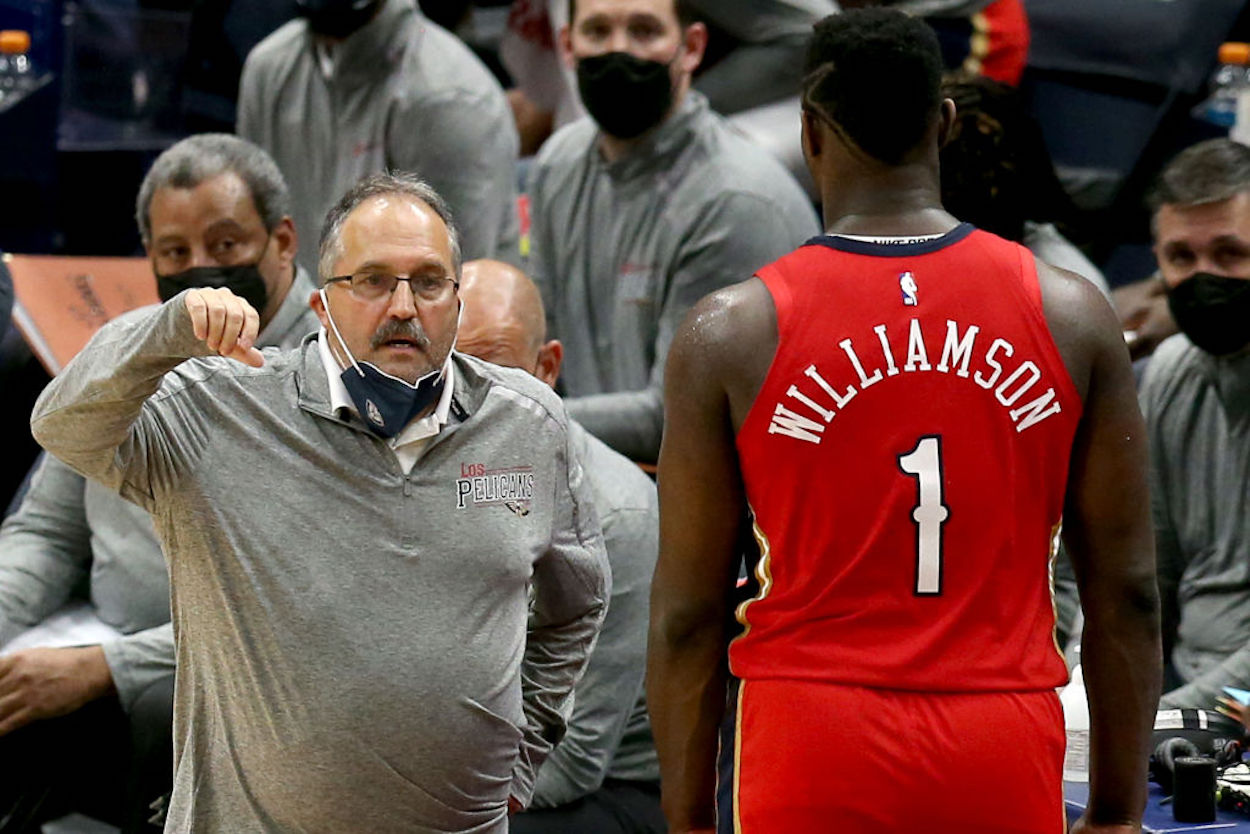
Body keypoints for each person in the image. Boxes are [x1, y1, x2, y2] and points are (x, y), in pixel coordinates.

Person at [647, 10, 1161, 833]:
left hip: (807, 737)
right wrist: (1114, 813)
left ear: (809, 132)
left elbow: (687, 616)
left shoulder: (729, 331)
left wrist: (686, 822)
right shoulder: (1072, 314)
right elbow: (1127, 593)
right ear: (945, 123)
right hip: (999, 737)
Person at [29, 171, 609, 833]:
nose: (402, 307)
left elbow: (578, 602)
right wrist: (165, 333)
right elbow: (62, 424)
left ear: (456, 299)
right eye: (370, 280)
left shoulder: (529, 425)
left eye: (427, 282)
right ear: (321, 301)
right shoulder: (220, 407)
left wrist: (526, 750)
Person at [0, 133, 319, 834]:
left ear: (283, 241)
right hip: (90, 638)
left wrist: (108, 668)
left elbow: (307, 613)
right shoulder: (126, 350)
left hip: (233, 687)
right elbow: (47, 531)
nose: (202, 270)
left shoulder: (336, 372)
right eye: (176, 254)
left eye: (226, 244)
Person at [528, 0, 820, 463]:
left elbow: (675, 417)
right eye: (598, 32)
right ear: (567, 46)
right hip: (597, 477)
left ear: (691, 47)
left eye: (644, 31)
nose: (618, 50)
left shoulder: (733, 202)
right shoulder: (557, 165)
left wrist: (508, 416)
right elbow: (541, 353)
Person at [456, 259, 663, 833]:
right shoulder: (424, 468)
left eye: (492, 369)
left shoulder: (616, 512)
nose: (465, 399)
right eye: (450, 368)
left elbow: (574, 762)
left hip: (608, 789)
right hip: (462, 757)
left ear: (546, 367)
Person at [237, 0, 521, 277]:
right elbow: (261, 241)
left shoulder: (449, 99)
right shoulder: (269, 69)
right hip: (311, 316)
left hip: (416, 316)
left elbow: (455, 289)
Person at [1141, 139, 1250, 712]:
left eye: (1229, 254)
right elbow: (1143, 578)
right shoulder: (1168, 371)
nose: (1204, 277)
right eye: (1181, 258)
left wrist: (1163, 716)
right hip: (1183, 702)